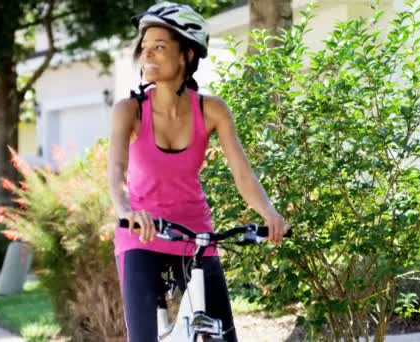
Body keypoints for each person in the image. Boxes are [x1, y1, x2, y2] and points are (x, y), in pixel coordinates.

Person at [107, 2, 287, 341]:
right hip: (142, 236)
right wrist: (127, 211)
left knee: (224, 336)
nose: (148, 55)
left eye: (159, 48)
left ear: (187, 54)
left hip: (196, 237)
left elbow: (242, 174)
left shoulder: (212, 109)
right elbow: (116, 172)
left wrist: (268, 212)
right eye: (145, 48)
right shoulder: (129, 111)